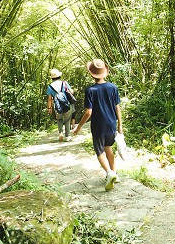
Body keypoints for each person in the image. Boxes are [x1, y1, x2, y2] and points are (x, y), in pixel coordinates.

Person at [72, 59, 123, 191]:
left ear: (91, 74)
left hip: (98, 125)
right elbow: (118, 108)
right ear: (105, 72)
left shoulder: (90, 90)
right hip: (112, 123)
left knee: (99, 150)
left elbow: (89, 112)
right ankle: (114, 173)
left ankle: (109, 173)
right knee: (108, 147)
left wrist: (78, 127)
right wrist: (120, 126)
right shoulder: (113, 87)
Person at [46, 68, 74, 142]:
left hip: (57, 105)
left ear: (52, 77)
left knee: (59, 119)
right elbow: (72, 92)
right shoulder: (64, 83)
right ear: (59, 76)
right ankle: (67, 136)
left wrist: (49, 108)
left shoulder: (50, 86)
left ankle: (60, 133)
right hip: (66, 104)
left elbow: (49, 98)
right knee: (67, 120)